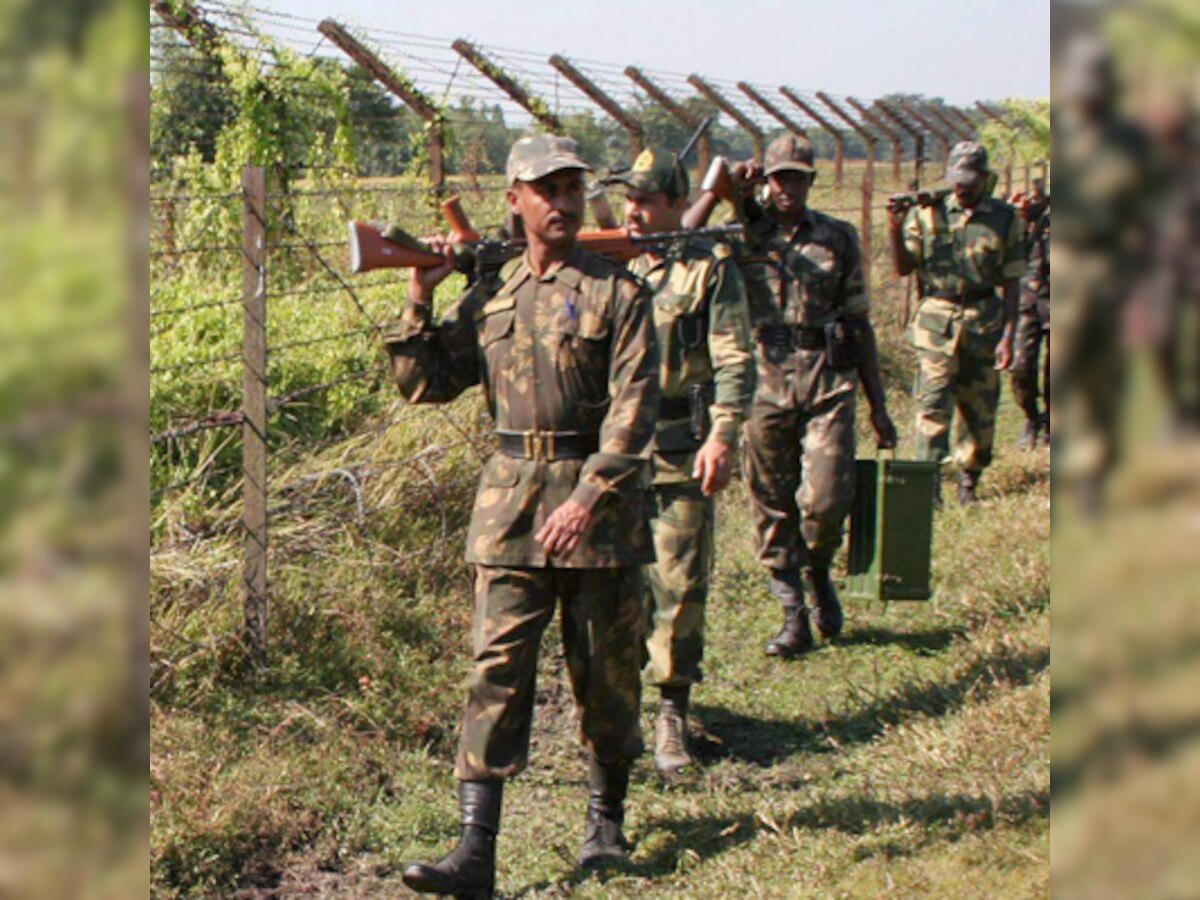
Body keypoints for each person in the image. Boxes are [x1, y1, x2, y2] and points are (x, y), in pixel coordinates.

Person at [386, 134, 660, 897]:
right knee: (496, 673)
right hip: (510, 510)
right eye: (548, 189)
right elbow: (426, 383)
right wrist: (420, 290)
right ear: (515, 200)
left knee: (607, 672)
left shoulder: (618, 293)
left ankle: (605, 823)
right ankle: (476, 852)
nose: (565, 202)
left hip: (597, 512)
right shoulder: (494, 292)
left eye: (573, 189)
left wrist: (587, 496)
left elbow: (635, 415)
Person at [694, 135, 897, 657]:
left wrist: (879, 406)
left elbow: (859, 320)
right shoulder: (742, 233)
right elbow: (682, 240)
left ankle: (819, 571)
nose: (787, 187)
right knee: (771, 501)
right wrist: (724, 192)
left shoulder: (838, 237)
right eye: (778, 177)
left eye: (797, 177)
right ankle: (793, 611)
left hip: (828, 377)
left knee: (827, 498)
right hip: (763, 377)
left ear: (811, 180)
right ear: (767, 179)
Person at [607, 147, 756, 776]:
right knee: (615, 589)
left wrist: (723, 435)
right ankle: (614, 715)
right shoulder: (606, 263)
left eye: (646, 201)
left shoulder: (709, 269)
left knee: (680, 584)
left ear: (675, 203)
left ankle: (671, 714)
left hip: (680, 447)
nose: (634, 212)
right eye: (628, 200)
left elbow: (734, 358)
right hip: (613, 454)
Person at [887, 141, 1024, 504]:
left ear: (984, 178)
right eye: (957, 179)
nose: (962, 187)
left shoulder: (1005, 218)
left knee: (979, 406)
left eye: (970, 179)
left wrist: (1010, 336)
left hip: (984, 320)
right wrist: (894, 228)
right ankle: (928, 483)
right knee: (932, 404)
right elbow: (903, 268)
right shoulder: (927, 214)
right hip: (936, 320)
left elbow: (1012, 281)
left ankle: (969, 480)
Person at [1011, 179, 1051, 449]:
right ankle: (1030, 417)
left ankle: (1050, 422)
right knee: (1021, 366)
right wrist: (1024, 218)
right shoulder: (1025, 214)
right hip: (1028, 297)